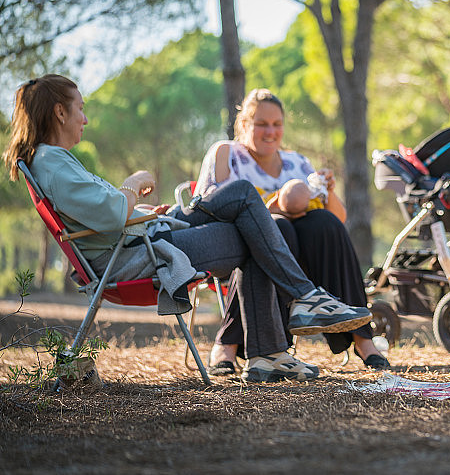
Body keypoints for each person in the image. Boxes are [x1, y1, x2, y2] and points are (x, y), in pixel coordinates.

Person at [3, 74, 373, 383]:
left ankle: (276, 343)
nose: (84, 119)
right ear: (60, 111)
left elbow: (102, 216)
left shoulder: (52, 161)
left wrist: (147, 211)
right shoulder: (54, 162)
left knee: (244, 201)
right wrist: (132, 183)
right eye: (80, 108)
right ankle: (283, 330)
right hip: (138, 255)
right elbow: (112, 213)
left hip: (148, 236)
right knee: (250, 217)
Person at [196, 88, 391, 370]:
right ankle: (228, 343)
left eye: (277, 124)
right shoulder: (227, 154)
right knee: (277, 228)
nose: (270, 132)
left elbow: (339, 219)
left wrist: (329, 192)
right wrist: (270, 208)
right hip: (238, 247)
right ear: (244, 124)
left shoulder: (297, 163)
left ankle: (362, 338)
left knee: (325, 223)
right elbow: (211, 207)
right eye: (261, 124)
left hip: (297, 259)